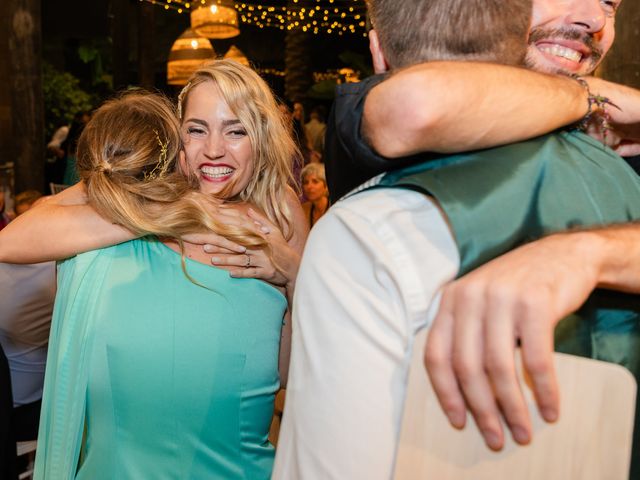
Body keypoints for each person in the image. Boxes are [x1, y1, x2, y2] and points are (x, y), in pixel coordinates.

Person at [274, 0, 640, 478]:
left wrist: (592, 253)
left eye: (611, 4)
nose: (593, 17)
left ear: (377, 51)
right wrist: (589, 95)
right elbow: (416, 106)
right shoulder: (614, 160)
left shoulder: (365, 231)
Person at [0, 60, 307, 479]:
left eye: (235, 130)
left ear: (261, 137)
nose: (214, 149)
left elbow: (289, 374)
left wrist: (294, 273)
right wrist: (180, 211)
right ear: (178, 140)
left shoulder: (281, 213)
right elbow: (12, 240)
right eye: (197, 129)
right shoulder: (140, 196)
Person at [300, 163, 329, 228]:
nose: (309, 186)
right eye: (306, 182)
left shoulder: (334, 208)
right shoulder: (303, 209)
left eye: (315, 182)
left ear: (326, 186)